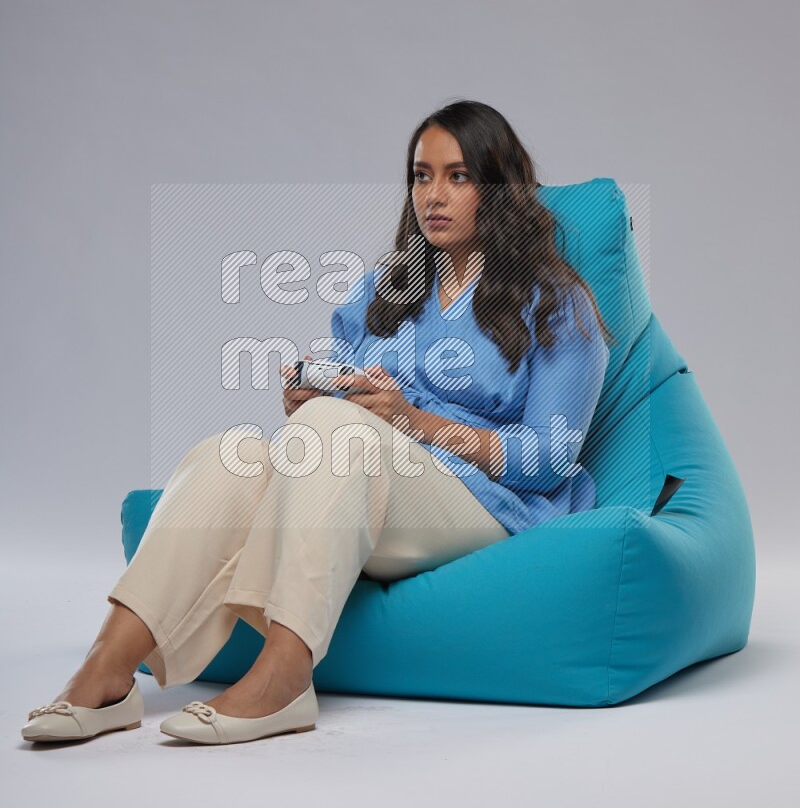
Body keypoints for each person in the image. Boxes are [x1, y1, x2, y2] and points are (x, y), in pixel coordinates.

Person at [21, 99, 613, 746]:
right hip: (358, 482)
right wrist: (312, 394)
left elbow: (551, 455)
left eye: (458, 176)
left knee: (340, 432)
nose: (433, 195)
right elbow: (340, 383)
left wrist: (413, 422)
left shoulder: (557, 302)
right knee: (231, 453)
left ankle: (284, 676)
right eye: (421, 175)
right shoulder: (385, 291)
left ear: (497, 189)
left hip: (485, 503)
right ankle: (106, 673)